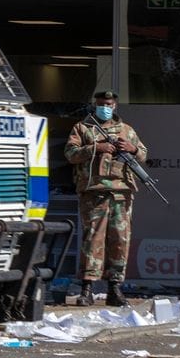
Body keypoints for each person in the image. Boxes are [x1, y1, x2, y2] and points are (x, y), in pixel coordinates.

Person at [64, 89, 148, 307]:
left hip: (122, 193)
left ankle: (115, 288)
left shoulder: (127, 130)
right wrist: (96, 148)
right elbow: (70, 154)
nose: (105, 107)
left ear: (114, 106)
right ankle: (87, 288)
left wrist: (132, 149)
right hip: (95, 192)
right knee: (93, 240)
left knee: (120, 240)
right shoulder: (83, 128)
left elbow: (143, 154)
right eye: (101, 104)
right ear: (95, 104)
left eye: (109, 104)